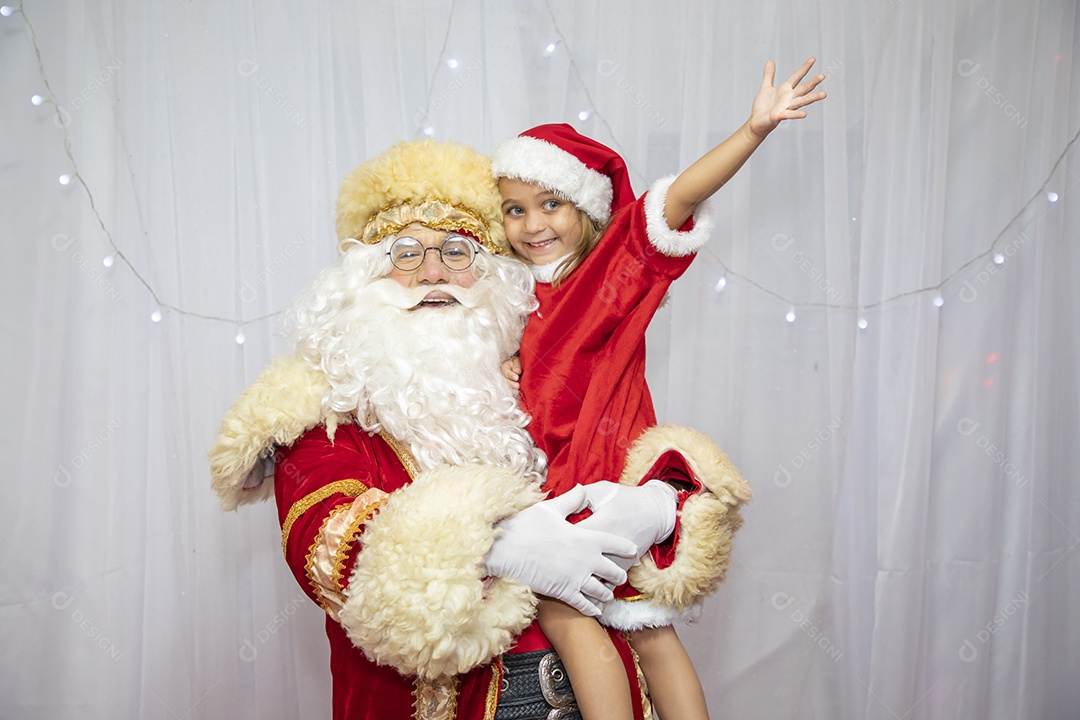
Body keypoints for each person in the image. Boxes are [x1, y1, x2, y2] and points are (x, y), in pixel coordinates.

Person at [208, 138, 747, 720]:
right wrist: (497, 546)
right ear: (361, 280)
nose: (434, 271)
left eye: (458, 252)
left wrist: (662, 501)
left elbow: (611, 437)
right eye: (406, 253)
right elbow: (324, 543)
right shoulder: (324, 407)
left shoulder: (514, 371)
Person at [492, 58, 825, 720]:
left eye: (550, 203)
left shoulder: (610, 270)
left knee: (575, 615)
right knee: (647, 628)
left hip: (598, 484)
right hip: (561, 487)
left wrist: (752, 130)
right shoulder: (509, 296)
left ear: (584, 208)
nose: (532, 224)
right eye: (515, 210)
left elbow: (675, 202)